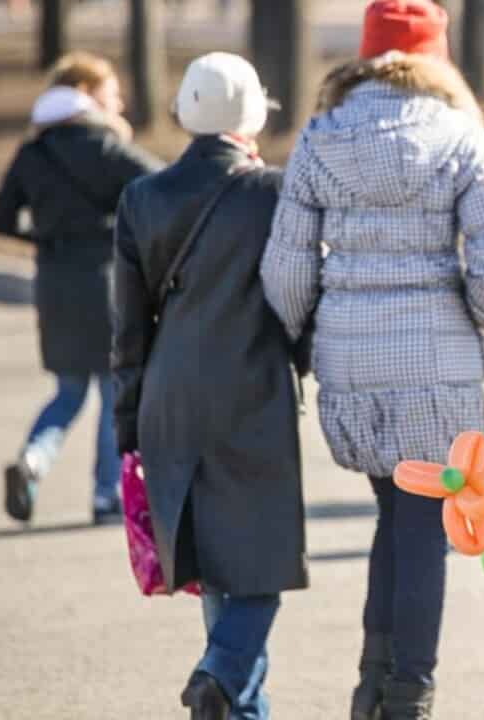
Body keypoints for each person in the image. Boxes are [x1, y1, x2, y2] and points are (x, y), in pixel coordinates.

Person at [260, 0, 484, 720]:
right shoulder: (462, 137)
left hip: (349, 359)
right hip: (434, 362)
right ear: (436, 59)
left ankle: (371, 684)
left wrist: (311, 335)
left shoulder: (319, 136)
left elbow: (284, 270)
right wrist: (478, 319)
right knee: (422, 522)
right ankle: (411, 689)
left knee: (393, 513)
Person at [112, 52, 307, 720]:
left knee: (221, 573)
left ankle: (230, 701)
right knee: (259, 569)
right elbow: (299, 298)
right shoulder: (276, 192)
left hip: (168, 402)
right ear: (253, 116)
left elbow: (129, 333)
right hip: (250, 397)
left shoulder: (141, 198)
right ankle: (219, 674)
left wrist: (126, 431)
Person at [0, 51, 162, 526]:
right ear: (86, 94)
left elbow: (1, 216)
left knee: (68, 392)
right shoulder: (106, 146)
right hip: (107, 281)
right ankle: (106, 495)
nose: (120, 103)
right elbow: (163, 184)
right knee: (115, 393)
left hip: (52, 282)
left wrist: (44, 237)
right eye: (112, 93)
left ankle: (33, 462)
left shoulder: (34, 150)